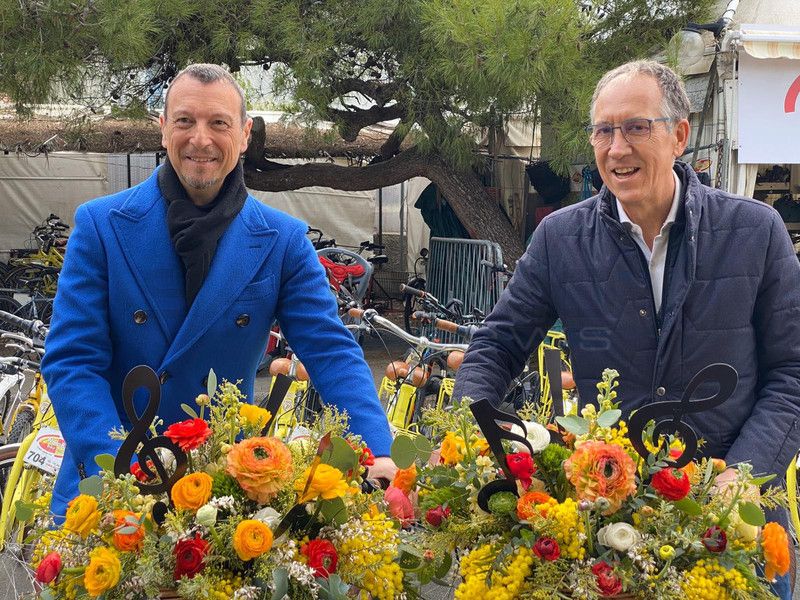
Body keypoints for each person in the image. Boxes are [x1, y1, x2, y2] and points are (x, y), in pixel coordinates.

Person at [452, 60, 800, 598]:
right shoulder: (560, 240)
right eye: (603, 130)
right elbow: (496, 346)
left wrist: (742, 475)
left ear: (679, 136)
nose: (617, 148)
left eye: (636, 127)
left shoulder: (754, 231)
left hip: (734, 525)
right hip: (612, 528)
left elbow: (792, 371)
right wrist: (478, 436)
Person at [42, 64, 396, 519]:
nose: (200, 138)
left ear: (245, 135)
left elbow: (329, 350)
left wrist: (376, 448)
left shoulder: (283, 240)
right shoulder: (101, 225)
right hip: (115, 477)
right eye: (185, 120)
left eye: (219, 123)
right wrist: (118, 470)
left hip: (226, 486)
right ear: (163, 128)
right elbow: (73, 361)